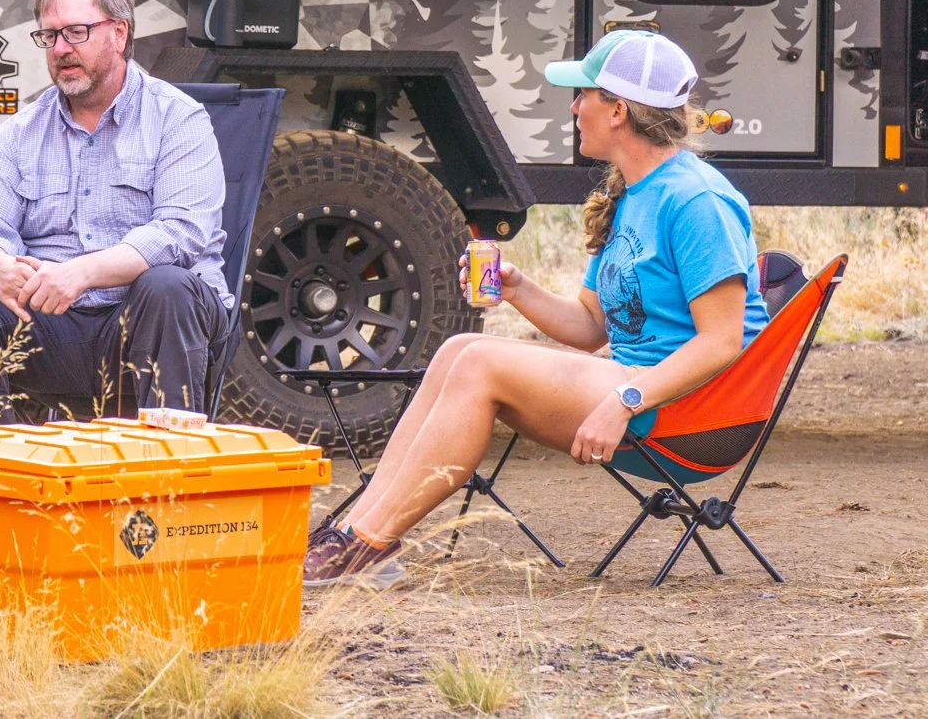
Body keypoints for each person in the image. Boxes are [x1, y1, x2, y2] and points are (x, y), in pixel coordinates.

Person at [302, 29, 769, 588]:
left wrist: (624, 401)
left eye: (583, 95)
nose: (574, 107)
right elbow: (590, 328)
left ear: (618, 110)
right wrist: (518, 289)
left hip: (697, 413)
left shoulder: (696, 202)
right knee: (459, 349)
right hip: (643, 388)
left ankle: (369, 544)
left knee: (478, 364)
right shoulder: (635, 194)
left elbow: (722, 342)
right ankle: (356, 529)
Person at [0, 0, 230, 425]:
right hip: (48, 324)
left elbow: (182, 233)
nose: (61, 49)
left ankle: (168, 479)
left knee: (168, 284)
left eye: (76, 32)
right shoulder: (19, 132)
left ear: (120, 33)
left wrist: (81, 273)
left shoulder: (177, 119)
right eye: (50, 36)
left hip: (145, 320)